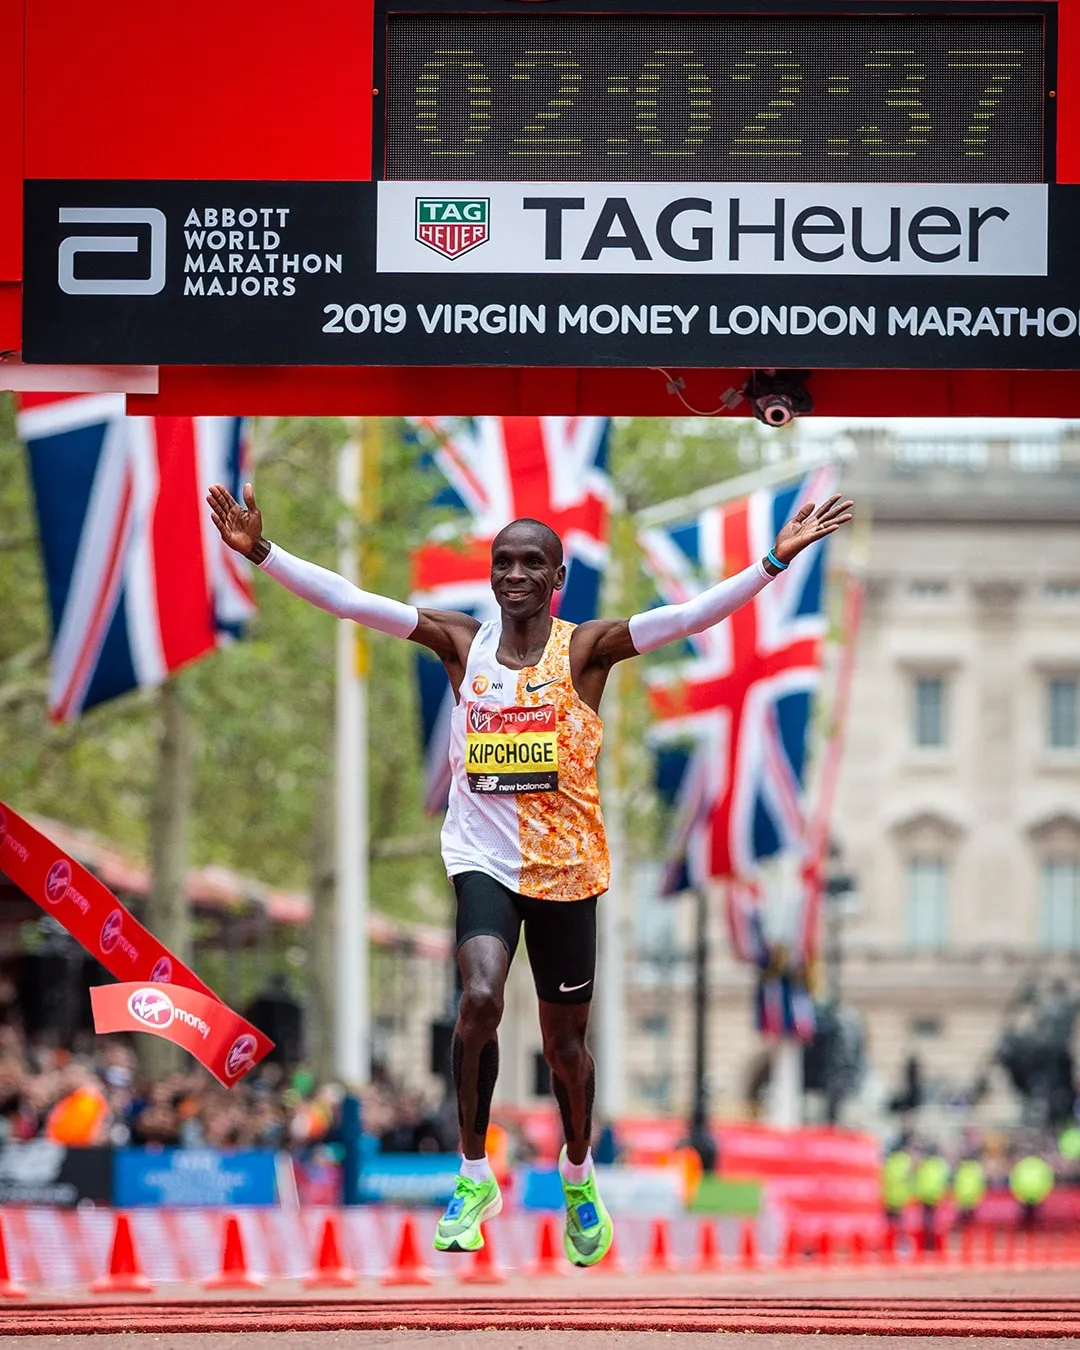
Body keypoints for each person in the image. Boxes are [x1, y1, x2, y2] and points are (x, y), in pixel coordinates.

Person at [207, 479, 853, 1265]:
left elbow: (687, 619)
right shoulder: (458, 642)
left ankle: (578, 1173)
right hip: (481, 859)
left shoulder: (586, 650)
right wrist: (264, 554)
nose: (514, 575)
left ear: (557, 580)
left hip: (568, 872)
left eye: (531, 564)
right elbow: (351, 601)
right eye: (503, 563)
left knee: (564, 1051)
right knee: (478, 997)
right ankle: (473, 1172)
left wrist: (771, 563)